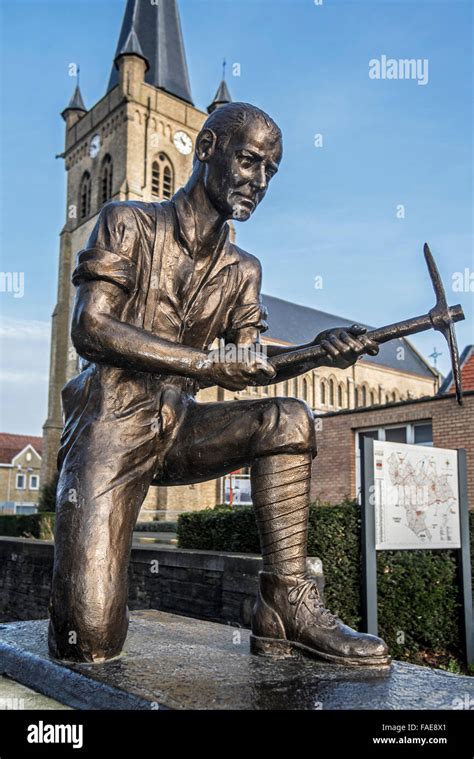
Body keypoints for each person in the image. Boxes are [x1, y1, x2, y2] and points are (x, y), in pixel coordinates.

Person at [48, 102, 390, 666]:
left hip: (179, 427)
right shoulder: (126, 221)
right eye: (250, 161)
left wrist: (320, 352)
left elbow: (253, 361)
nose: (258, 182)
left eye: (270, 173)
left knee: (289, 417)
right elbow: (90, 326)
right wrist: (205, 365)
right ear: (205, 149)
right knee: (87, 640)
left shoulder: (243, 270)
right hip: (108, 428)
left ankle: (286, 603)